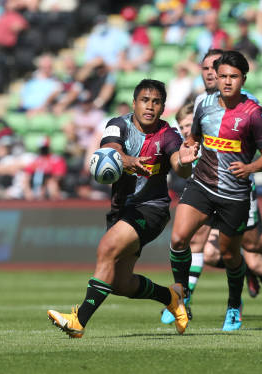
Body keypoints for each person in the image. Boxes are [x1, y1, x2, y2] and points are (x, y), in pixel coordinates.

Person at [162, 50, 262, 324]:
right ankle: (181, 300)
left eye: (229, 75)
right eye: (211, 71)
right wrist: (187, 151)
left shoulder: (252, 108)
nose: (215, 76)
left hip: (237, 188)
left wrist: (249, 164)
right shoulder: (201, 104)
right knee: (183, 239)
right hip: (203, 184)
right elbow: (193, 139)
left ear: (241, 78)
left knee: (248, 250)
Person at [46, 79, 199, 338]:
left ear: (162, 108)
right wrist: (127, 161)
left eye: (156, 102)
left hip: (151, 210)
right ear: (134, 103)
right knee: (119, 282)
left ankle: (78, 321)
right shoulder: (118, 125)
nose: (150, 106)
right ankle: (171, 297)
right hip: (122, 211)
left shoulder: (169, 135)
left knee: (107, 248)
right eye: (145, 100)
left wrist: (184, 162)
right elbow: (110, 149)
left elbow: (178, 162)